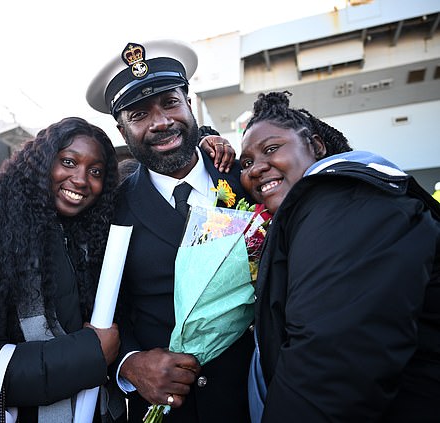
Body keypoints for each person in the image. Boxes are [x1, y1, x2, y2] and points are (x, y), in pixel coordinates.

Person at [239, 91, 440, 422]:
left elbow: (328, 371)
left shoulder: (345, 202)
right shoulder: (326, 207)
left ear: (317, 146)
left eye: (271, 149)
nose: (256, 168)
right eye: (246, 163)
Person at [86, 39, 254, 422]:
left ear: (189, 104)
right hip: (172, 410)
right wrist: (129, 364)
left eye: (170, 103)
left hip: (258, 397)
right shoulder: (111, 210)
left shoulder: (246, 179)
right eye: (139, 113)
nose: (161, 122)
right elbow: (104, 308)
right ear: (122, 128)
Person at [0, 117, 126, 422]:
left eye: (96, 172)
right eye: (68, 162)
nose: (81, 179)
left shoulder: (87, 233)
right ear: (41, 162)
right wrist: (89, 354)